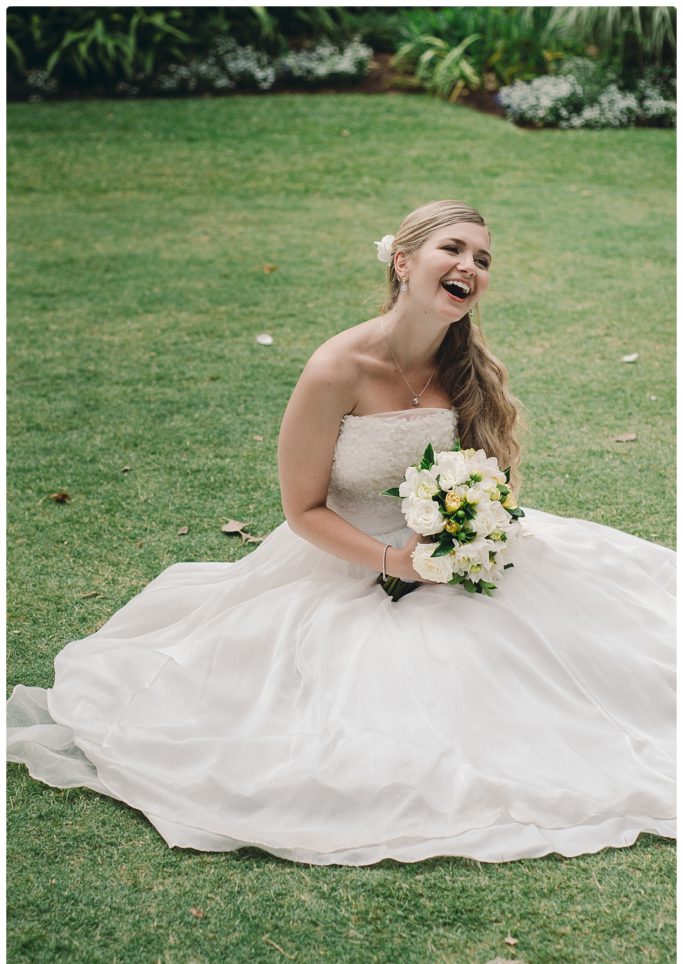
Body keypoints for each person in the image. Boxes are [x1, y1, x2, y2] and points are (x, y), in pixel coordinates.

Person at [7, 200, 675, 866]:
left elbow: (476, 477)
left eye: (482, 259)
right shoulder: (337, 368)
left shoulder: (463, 366)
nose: (469, 266)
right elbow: (302, 510)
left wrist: (471, 531)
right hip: (343, 555)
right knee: (419, 688)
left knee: (590, 643)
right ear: (403, 261)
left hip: (444, 548)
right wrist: (397, 561)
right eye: (453, 249)